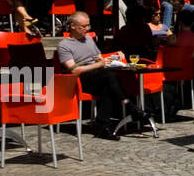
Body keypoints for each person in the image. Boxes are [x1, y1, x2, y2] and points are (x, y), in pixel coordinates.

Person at [57, 11, 147, 139]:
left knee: (108, 87)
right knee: (109, 77)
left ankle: (103, 125)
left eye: (88, 25)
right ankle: (130, 106)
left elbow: (99, 59)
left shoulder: (88, 40)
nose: (87, 29)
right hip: (80, 79)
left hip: (98, 76)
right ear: (73, 26)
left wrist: (112, 58)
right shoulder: (64, 45)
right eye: (83, 26)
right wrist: (99, 65)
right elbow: (73, 70)